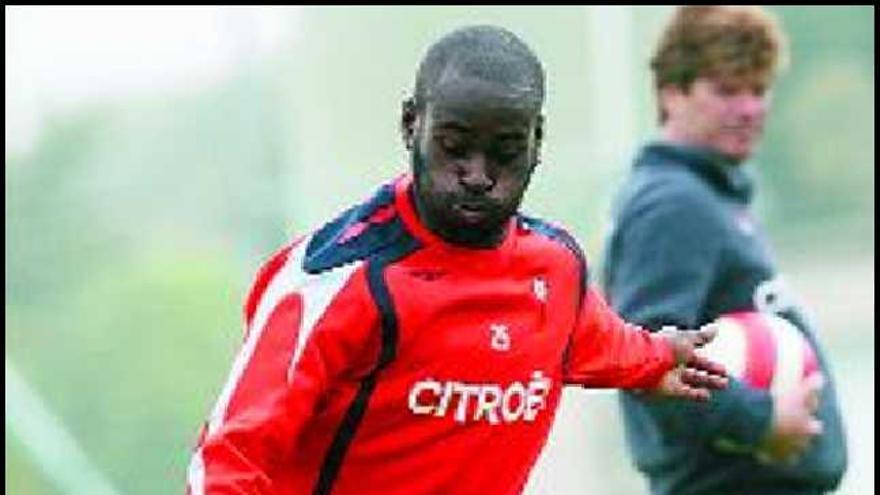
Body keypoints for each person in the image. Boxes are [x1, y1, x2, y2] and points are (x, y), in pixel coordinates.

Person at [186, 25, 727, 495]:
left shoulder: (554, 270)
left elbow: (598, 341)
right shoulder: (334, 280)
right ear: (410, 126)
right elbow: (229, 459)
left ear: (537, 140)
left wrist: (659, 356)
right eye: (454, 145)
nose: (477, 173)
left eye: (505, 150)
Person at [601, 6, 848, 495]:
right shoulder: (673, 204)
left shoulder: (709, 196)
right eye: (727, 90)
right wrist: (759, 421)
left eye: (758, 90)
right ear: (671, 93)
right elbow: (646, 356)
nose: (750, 108)